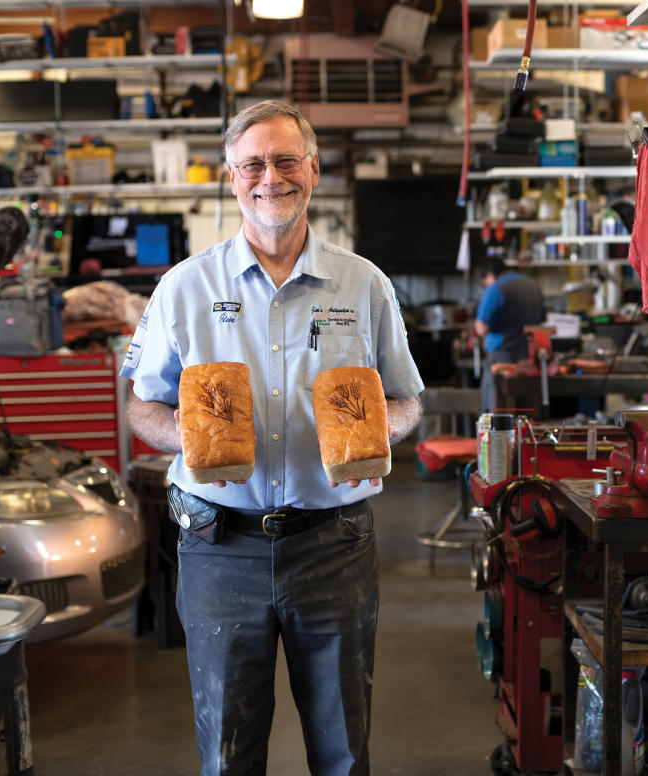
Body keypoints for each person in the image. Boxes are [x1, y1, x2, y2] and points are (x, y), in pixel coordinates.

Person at [120, 100, 423, 776]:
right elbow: (142, 405)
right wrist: (186, 435)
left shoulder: (364, 284)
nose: (270, 177)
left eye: (286, 160)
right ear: (232, 177)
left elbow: (407, 399)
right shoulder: (184, 287)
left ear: (313, 170)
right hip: (219, 547)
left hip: (335, 544)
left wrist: (382, 431)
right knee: (228, 753)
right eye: (253, 164)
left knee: (343, 751)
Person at [474, 256, 544, 411]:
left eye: (484, 282)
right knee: (527, 411)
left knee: (496, 412)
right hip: (529, 358)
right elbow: (542, 319)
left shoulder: (496, 288)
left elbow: (481, 328)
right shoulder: (532, 285)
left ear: (489, 275)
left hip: (502, 358)